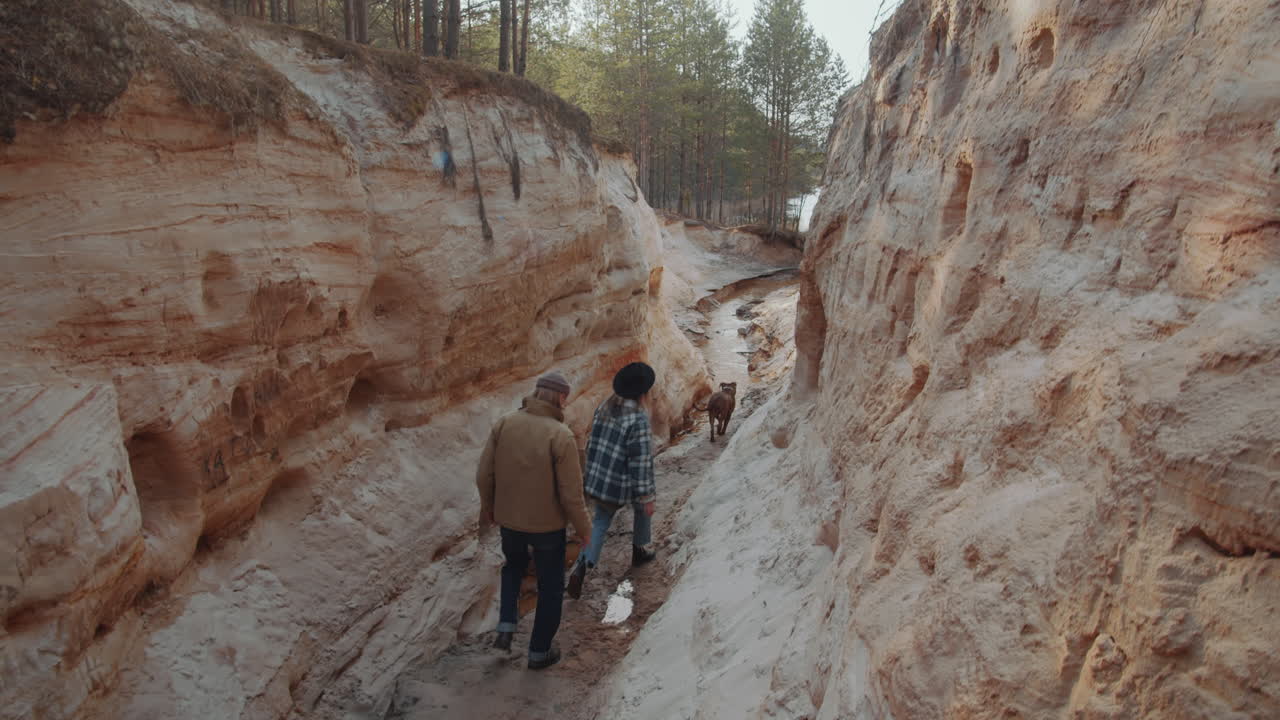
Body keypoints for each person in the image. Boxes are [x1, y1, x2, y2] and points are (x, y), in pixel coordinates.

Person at [476, 371, 592, 670]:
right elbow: (571, 494)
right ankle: (539, 652)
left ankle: (506, 626)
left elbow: (484, 474)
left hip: (509, 520)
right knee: (552, 586)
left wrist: (489, 507)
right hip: (547, 527)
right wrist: (585, 530)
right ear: (562, 398)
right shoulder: (560, 435)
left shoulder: (505, 423)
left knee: (512, 566)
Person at [566, 362, 657, 600]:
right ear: (642, 393)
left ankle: (582, 566)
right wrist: (647, 496)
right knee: (642, 509)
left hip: (598, 478)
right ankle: (639, 549)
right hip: (620, 483)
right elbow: (641, 462)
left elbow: (593, 443)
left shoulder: (604, 406)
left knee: (599, 522)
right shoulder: (637, 418)